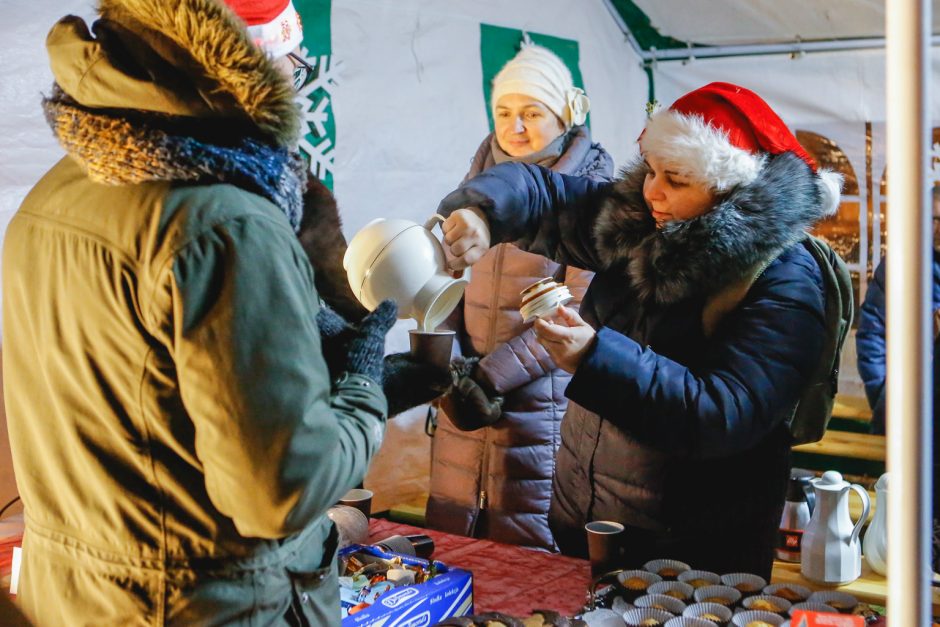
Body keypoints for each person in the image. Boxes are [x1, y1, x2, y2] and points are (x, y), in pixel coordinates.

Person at [2, 0, 398, 624]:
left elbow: (151, 404)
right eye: (291, 62)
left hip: (77, 597)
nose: (296, 78)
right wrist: (363, 392)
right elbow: (281, 492)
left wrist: (317, 383)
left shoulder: (56, 189)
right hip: (200, 605)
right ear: (253, 66)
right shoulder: (226, 222)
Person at [437, 82, 842, 577]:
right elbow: (542, 191)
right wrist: (483, 213)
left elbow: (725, 414)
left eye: (675, 178)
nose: (653, 191)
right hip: (587, 525)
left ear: (729, 187)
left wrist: (594, 358)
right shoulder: (642, 222)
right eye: (651, 170)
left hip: (694, 558)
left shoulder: (784, 277)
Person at [425, 43, 613, 550]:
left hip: (542, 407)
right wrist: (451, 369)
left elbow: (578, 306)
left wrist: (490, 377)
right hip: (463, 403)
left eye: (533, 113)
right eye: (505, 112)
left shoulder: (592, 195)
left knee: (529, 552)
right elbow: (440, 286)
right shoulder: (473, 188)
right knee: (453, 548)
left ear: (566, 116)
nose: (516, 127)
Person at [856, 186, 940, 572]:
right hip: (904, 411)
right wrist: (882, 393)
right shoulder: (902, 264)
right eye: (935, 218)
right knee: (896, 517)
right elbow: (872, 333)